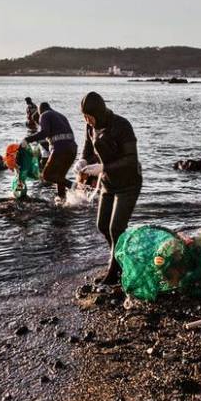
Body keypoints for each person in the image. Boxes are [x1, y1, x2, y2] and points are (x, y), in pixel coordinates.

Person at [76, 92, 142, 285]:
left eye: (89, 116)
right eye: (84, 117)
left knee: (117, 228)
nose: (87, 120)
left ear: (100, 112)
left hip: (129, 184)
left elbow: (131, 160)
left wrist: (103, 167)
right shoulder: (90, 126)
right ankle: (119, 257)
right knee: (102, 225)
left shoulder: (122, 126)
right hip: (108, 183)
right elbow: (88, 149)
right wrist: (82, 162)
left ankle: (114, 273)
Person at [23, 102, 77, 202]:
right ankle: (62, 200)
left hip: (60, 149)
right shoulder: (61, 116)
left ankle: (74, 186)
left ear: (40, 111)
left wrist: (27, 140)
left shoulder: (44, 115)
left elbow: (44, 133)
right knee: (60, 177)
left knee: (46, 175)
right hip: (73, 149)